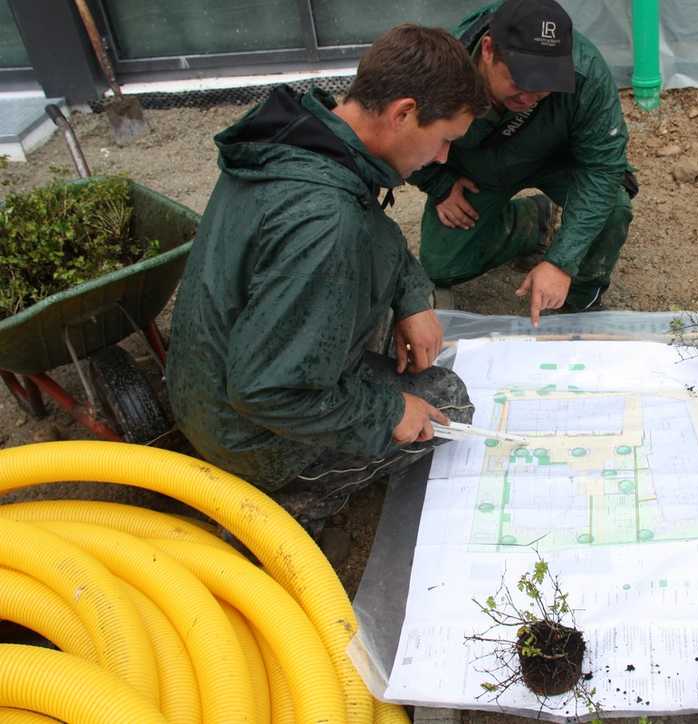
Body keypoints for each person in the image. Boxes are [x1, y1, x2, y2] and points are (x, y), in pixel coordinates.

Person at [166, 25, 490, 529]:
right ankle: (291, 504)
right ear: (404, 113)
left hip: (202, 381)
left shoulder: (304, 141)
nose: (444, 158)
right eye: (445, 140)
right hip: (246, 433)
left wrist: (409, 296)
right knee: (447, 403)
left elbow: (371, 227)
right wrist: (386, 412)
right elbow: (266, 392)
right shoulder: (325, 223)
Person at [409, 0, 635, 326]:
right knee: (443, 266)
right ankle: (533, 220)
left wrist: (561, 263)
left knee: (612, 207)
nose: (528, 98)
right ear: (488, 50)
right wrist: (439, 183)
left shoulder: (586, 72)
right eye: (518, 82)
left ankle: (581, 298)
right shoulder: (439, 66)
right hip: (478, 168)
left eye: (543, 87)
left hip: (557, 159)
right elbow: (404, 133)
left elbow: (602, 167)